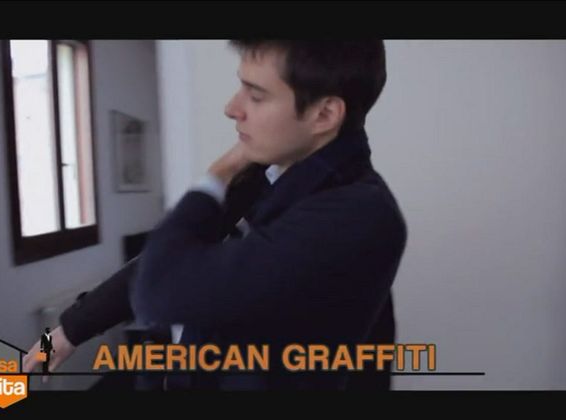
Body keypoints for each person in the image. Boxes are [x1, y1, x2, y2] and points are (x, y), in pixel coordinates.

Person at [23, 40, 407, 390]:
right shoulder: (274, 174)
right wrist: (66, 333)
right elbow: (160, 260)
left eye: (255, 95)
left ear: (324, 114)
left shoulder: (356, 215)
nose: (232, 108)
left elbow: (161, 287)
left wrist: (218, 173)